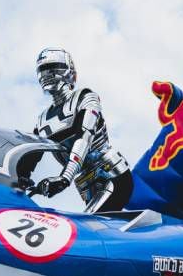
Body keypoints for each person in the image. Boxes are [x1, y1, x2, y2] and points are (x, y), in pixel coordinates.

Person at [33, 48, 132, 212]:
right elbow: (31, 153)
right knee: (102, 231)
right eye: (43, 69)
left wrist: (65, 177)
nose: (47, 73)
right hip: (84, 185)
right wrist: (18, 183)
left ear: (69, 71)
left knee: (88, 227)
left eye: (54, 67)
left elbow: (84, 137)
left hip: (111, 174)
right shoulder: (41, 120)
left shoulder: (85, 97)